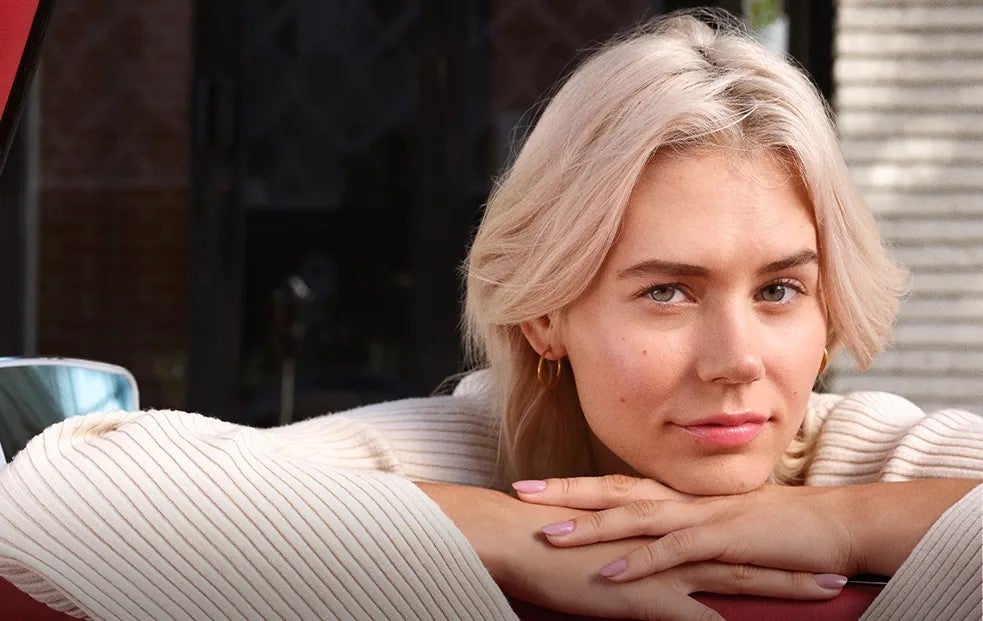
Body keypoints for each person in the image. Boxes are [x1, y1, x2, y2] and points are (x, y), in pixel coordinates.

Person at [1, 11, 981, 621]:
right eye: (666, 291)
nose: (735, 361)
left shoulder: (866, 454)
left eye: (777, 290)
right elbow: (52, 490)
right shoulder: (457, 448)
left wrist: (841, 523)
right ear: (545, 313)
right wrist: (498, 535)